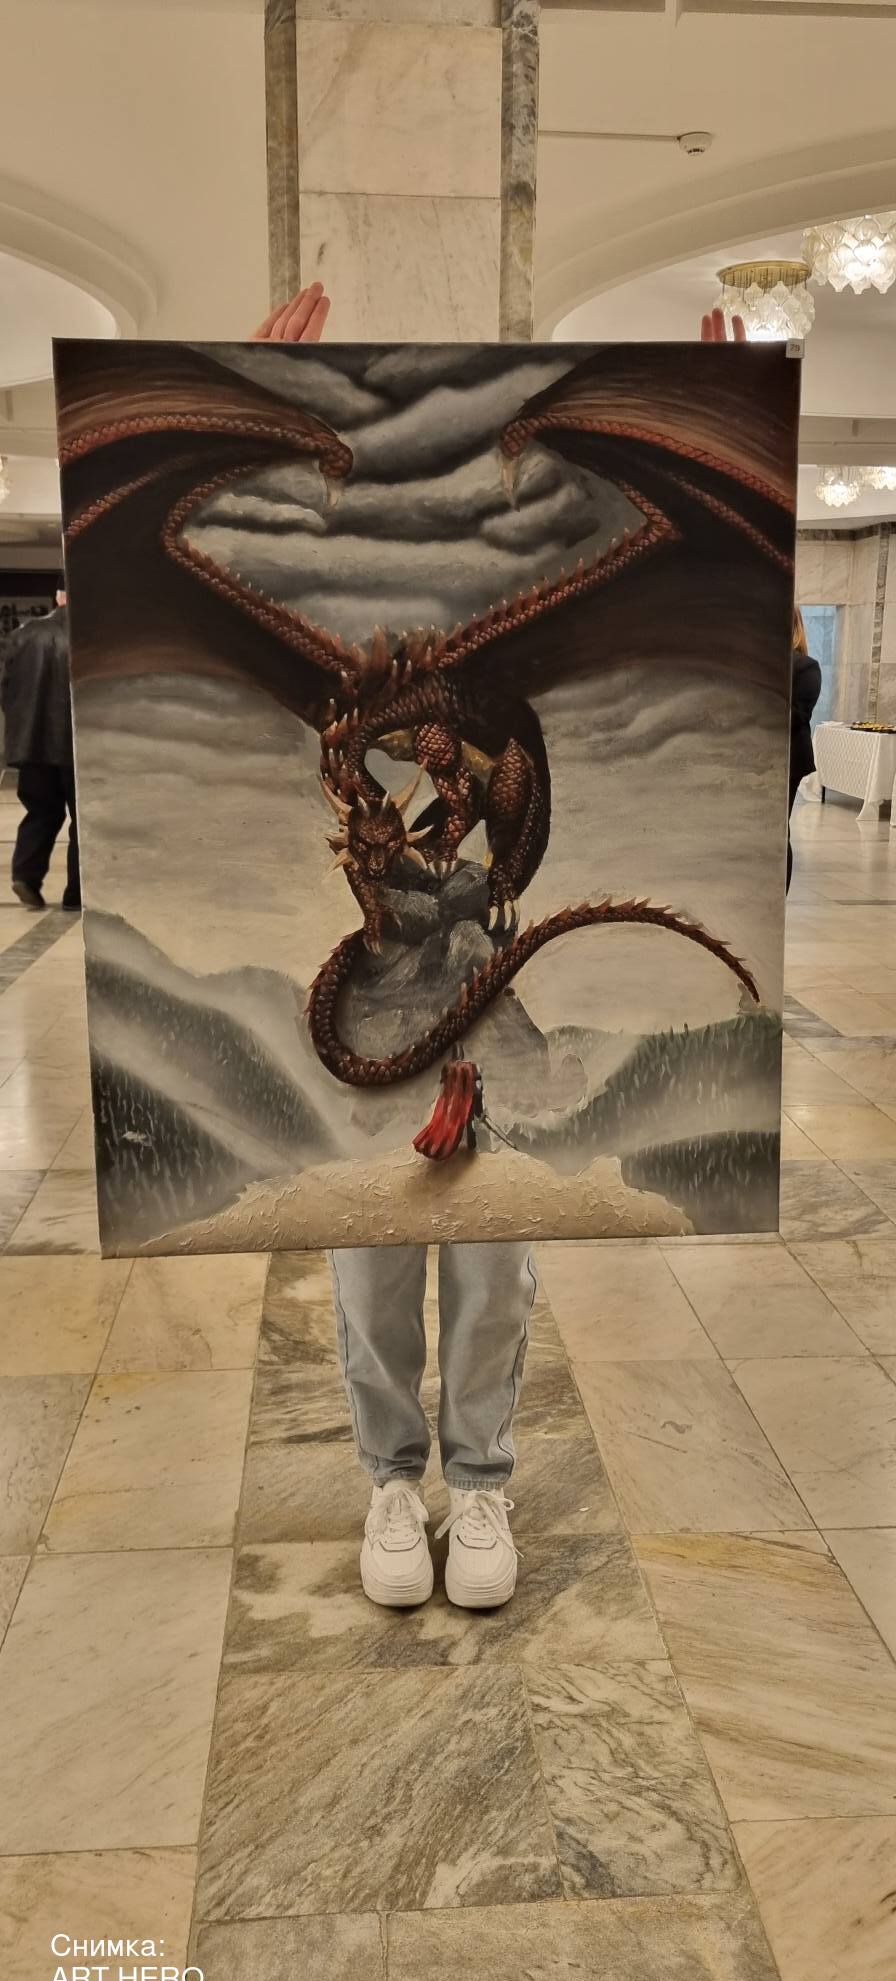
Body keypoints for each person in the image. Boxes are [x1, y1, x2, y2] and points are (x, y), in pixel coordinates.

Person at [253, 287, 747, 1612]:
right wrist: (271, 406)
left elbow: (482, 861)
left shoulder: (481, 796)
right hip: (377, 1033)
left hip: (481, 1044)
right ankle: (390, 1480)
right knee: (368, 1261)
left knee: (490, 1264)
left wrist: (730, 412)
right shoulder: (363, 757)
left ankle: (477, 1480)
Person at [1, 578, 80, 912]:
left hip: (32, 745)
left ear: (58, 597)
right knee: (82, 821)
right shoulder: (89, 635)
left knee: (40, 812)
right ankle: (76, 894)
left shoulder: (23, 635)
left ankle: (26, 875)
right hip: (77, 745)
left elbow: (7, 690)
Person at [787, 607, 822, 893]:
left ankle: (778, 899)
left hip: (787, 760)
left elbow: (797, 715)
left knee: (777, 832)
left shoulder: (806, 667)